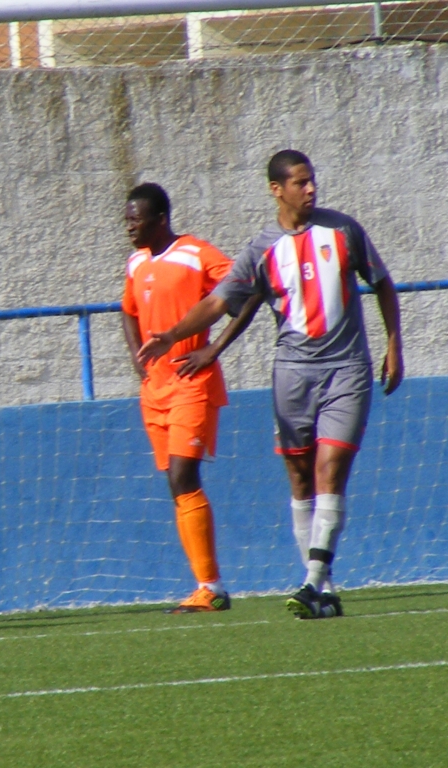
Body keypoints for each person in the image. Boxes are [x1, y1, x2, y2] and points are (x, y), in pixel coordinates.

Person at [139, 150, 404, 619]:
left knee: (329, 469)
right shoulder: (262, 249)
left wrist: (393, 344)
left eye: (312, 180)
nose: (311, 189)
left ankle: (312, 582)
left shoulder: (343, 230)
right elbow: (220, 302)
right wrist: (174, 336)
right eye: (300, 182)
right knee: (300, 478)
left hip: (347, 369)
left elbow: (381, 282)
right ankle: (324, 592)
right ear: (276, 190)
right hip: (292, 375)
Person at [121, 183, 259, 613]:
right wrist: (139, 363)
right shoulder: (136, 262)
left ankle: (212, 587)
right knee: (175, 483)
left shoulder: (196, 254)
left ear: (161, 218)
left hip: (191, 382)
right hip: (155, 390)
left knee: (184, 475)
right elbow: (128, 311)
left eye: (136, 219)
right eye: (126, 220)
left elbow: (249, 289)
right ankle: (206, 587)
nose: (129, 227)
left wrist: (213, 348)